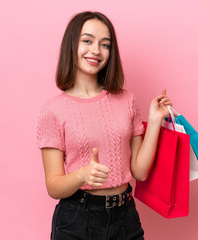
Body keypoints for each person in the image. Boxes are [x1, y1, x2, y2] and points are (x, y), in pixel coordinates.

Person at [37, 11, 173, 240]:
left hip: (125, 216)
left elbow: (139, 171)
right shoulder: (53, 110)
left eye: (105, 44)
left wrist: (155, 121)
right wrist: (82, 175)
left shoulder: (127, 100)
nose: (96, 51)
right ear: (72, 45)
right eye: (87, 41)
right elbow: (54, 186)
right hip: (77, 219)